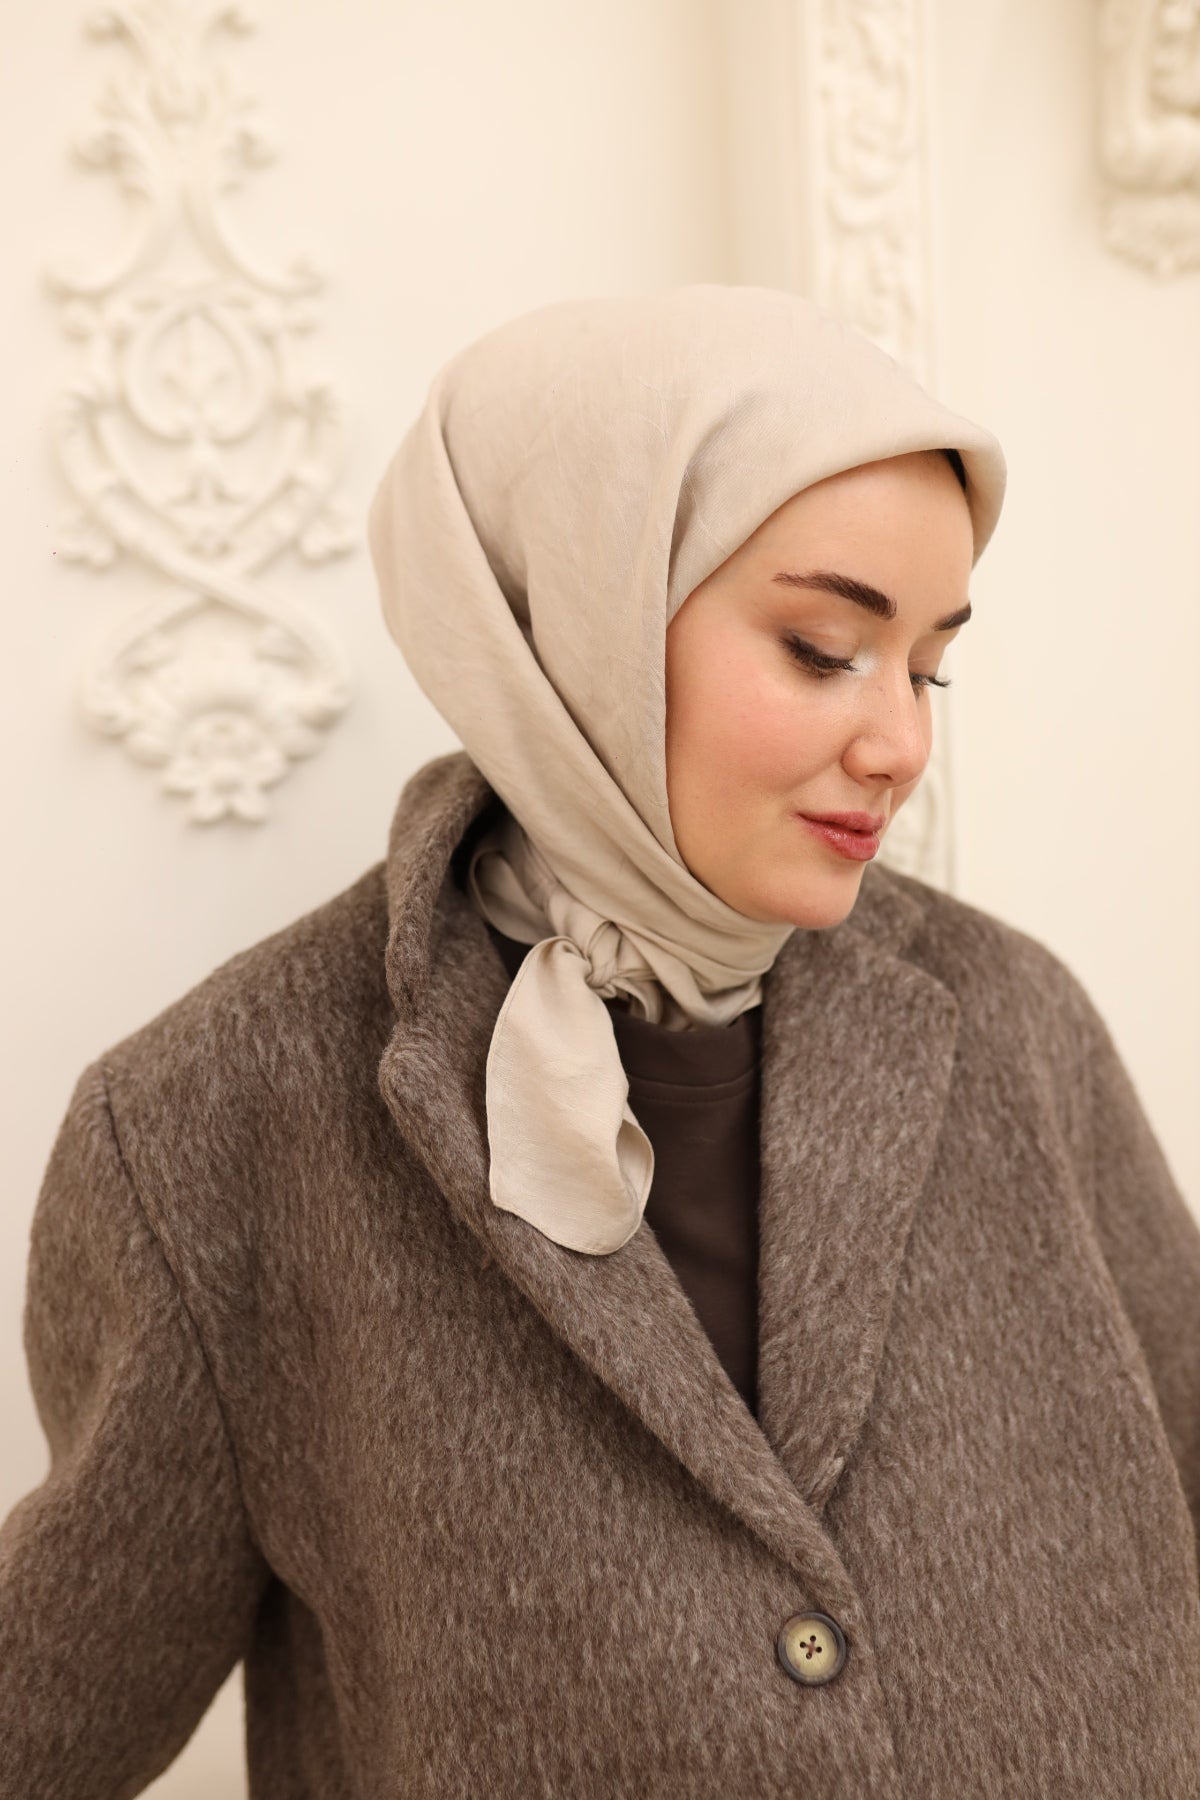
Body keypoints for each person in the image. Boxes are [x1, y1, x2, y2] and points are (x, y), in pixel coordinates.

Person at [2, 284, 1198, 1798]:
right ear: (579, 619)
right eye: (824, 647)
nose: (901, 742)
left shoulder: (1016, 1021)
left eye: (928, 665)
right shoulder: (208, 1127)